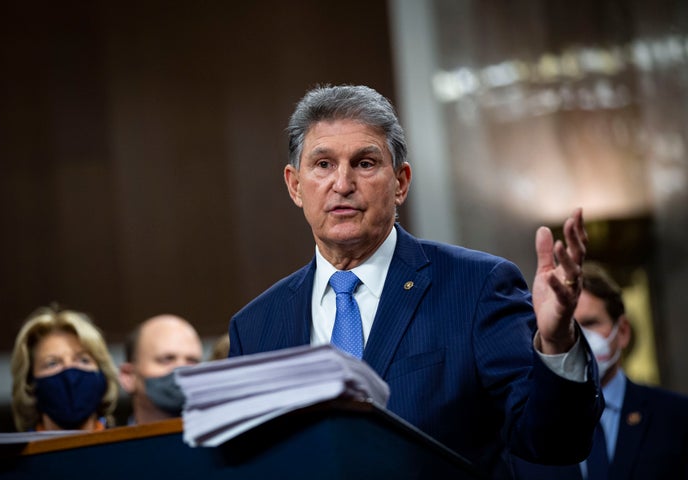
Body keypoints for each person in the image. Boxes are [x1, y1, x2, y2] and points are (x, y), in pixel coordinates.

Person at [227, 84, 603, 478]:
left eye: (365, 163)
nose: (342, 184)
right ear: (295, 185)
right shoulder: (255, 329)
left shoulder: (476, 287)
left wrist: (557, 342)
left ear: (401, 182)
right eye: (323, 164)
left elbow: (554, 442)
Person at [512, 262, 688, 479]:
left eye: (591, 323)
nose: (578, 337)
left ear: (622, 331)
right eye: (567, 325)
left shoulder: (676, 417)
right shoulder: (526, 430)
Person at [10, 305, 119, 432]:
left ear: (103, 376)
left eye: (83, 360)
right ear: (30, 384)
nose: (70, 373)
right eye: (52, 363)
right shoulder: (15, 452)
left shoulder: (128, 450)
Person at [119, 314, 203, 425]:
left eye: (192, 361)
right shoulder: (105, 442)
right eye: (167, 359)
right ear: (129, 376)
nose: (182, 368)